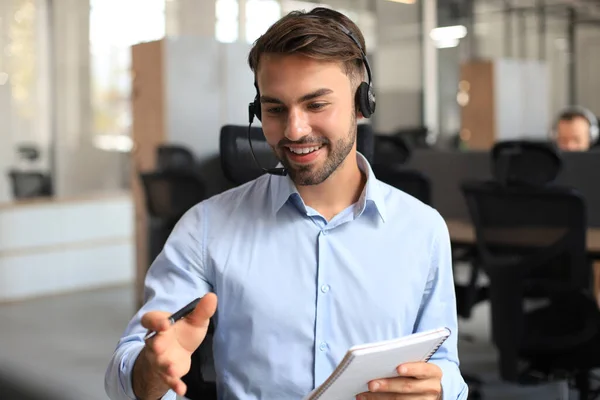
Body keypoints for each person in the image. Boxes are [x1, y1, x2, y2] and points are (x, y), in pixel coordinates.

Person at [105, 7, 468, 400]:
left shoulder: (422, 229)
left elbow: (445, 364)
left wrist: (439, 388)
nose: (294, 130)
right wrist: (153, 371)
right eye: (275, 109)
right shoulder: (206, 227)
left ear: (363, 104)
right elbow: (125, 373)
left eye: (316, 105)